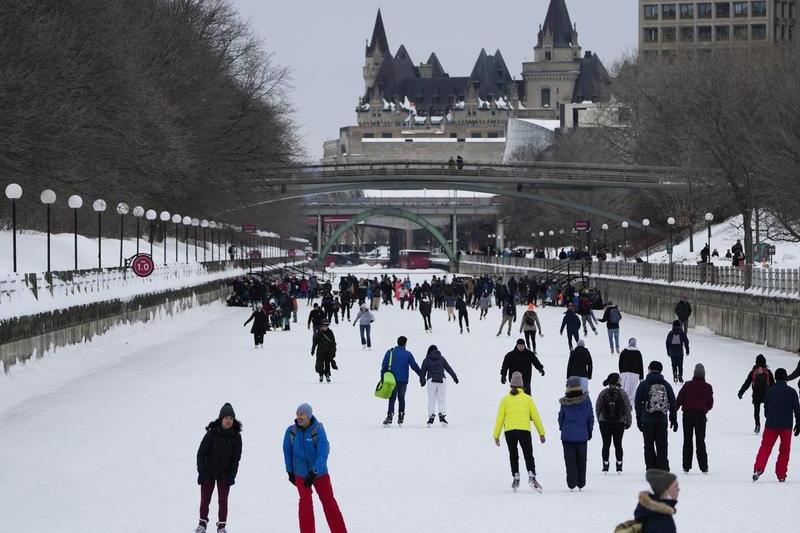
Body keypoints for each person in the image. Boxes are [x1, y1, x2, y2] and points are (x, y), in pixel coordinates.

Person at [283, 404, 348, 533]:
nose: (299, 417)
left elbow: (323, 451)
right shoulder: (291, 431)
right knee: (305, 505)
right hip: (300, 474)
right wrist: (290, 471)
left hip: (319, 474)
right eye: (297, 414)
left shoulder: (317, 429)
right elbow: (287, 451)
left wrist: (315, 471)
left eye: (302, 414)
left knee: (329, 503)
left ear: (309, 415)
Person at [493, 371, 546, 491]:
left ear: (511, 385)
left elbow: (499, 419)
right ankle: (531, 475)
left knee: (513, 455)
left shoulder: (504, 400)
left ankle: (515, 476)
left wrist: (496, 436)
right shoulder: (528, 399)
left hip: (510, 431)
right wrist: (541, 433)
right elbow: (536, 417)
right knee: (528, 454)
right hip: (524, 430)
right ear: (522, 385)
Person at [195, 403, 242, 533]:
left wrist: (232, 475)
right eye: (226, 417)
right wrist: (201, 472)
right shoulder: (211, 434)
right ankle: (202, 524)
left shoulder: (236, 436)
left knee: (223, 501)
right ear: (221, 418)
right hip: (208, 472)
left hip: (225, 474)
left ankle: (221, 527)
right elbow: (201, 453)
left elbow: (236, 459)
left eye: (231, 418)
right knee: (205, 500)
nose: (228, 420)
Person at [752, 368, 800, 482]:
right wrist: (798, 424)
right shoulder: (792, 392)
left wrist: (770, 417)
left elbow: (766, 410)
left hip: (771, 425)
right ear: (785, 378)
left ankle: (758, 468)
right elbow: (797, 410)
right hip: (786, 426)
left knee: (765, 447)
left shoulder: (770, 390)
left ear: (776, 377)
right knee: (784, 450)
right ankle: (781, 474)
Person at [635, 361, 678, 471]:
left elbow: (637, 402)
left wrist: (639, 418)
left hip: (647, 419)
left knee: (648, 445)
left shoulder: (644, 384)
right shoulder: (666, 384)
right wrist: (673, 418)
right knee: (662, 445)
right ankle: (663, 467)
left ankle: (651, 468)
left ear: (649, 369)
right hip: (662, 420)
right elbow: (673, 402)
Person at [675, 363, 713, 473]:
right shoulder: (708, 387)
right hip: (701, 416)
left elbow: (679, 400)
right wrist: (704, 408)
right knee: (700, 441)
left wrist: (673, 411)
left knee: (687, 440)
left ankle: (686, 465)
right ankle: (704, 466)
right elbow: (710, 404)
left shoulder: (687, 385)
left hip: (687, 416)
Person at [558, 376, 595, 491]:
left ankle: (571, 483)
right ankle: (581, 483)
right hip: (582, 436)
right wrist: (589, 431)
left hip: (567, 436)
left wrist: (562, 429)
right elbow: (590, 417)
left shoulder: (565, 401)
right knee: (581, 460)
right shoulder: (586, 399)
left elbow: (561, 418)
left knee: (570, 461)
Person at [596, 373, 632, 473]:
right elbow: (627, 408)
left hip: (604, 422)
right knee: (618, 444)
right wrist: (628, 421)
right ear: (617, 381)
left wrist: (600, 419)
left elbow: (598, 407)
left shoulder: (603, 392)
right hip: (619, 422)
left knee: (606, 444)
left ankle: (605, 465)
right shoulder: (622, 393)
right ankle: (619, 465)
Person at [381, 336, 421, 426]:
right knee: (401, 398)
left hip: (391, 380)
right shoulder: (408, 354)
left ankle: (389, 416)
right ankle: (401, 416)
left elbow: (384, 365)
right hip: (403, 380)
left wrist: (382, 377)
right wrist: (421, 376)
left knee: (392, 398)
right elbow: (414, 366)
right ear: (405, 343)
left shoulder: (390, 352)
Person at [419, 345, 459, 426]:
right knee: (441, 399)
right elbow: (448, 368)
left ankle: (431, 417)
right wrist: (455, 377)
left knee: (431, 400)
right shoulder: (441, 358)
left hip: (431, 380)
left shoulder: (426, 360)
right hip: (442, 380)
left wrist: (422, 381)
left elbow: (422, 372)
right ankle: (442, 416)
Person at [738, 354, 776, 434]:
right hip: (767, 395)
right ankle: (769, 426)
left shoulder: (753, 372)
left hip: (756, 395)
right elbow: (773, 384)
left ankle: (757, 425)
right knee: (768, 410)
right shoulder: (768, 372)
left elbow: (747, 383)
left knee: (756, 411)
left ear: (756, 362)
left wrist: (741, 392)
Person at [619, 338, 644, 404]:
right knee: (632, 389)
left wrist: (621, 372)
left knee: (623, 387)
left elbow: (620, 363)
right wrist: (641, 377)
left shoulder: (624, 351)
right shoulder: (638, 352)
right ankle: (629, 403)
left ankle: (622, 401)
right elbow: (640, 365)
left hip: (624, 373)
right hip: (635, 373)